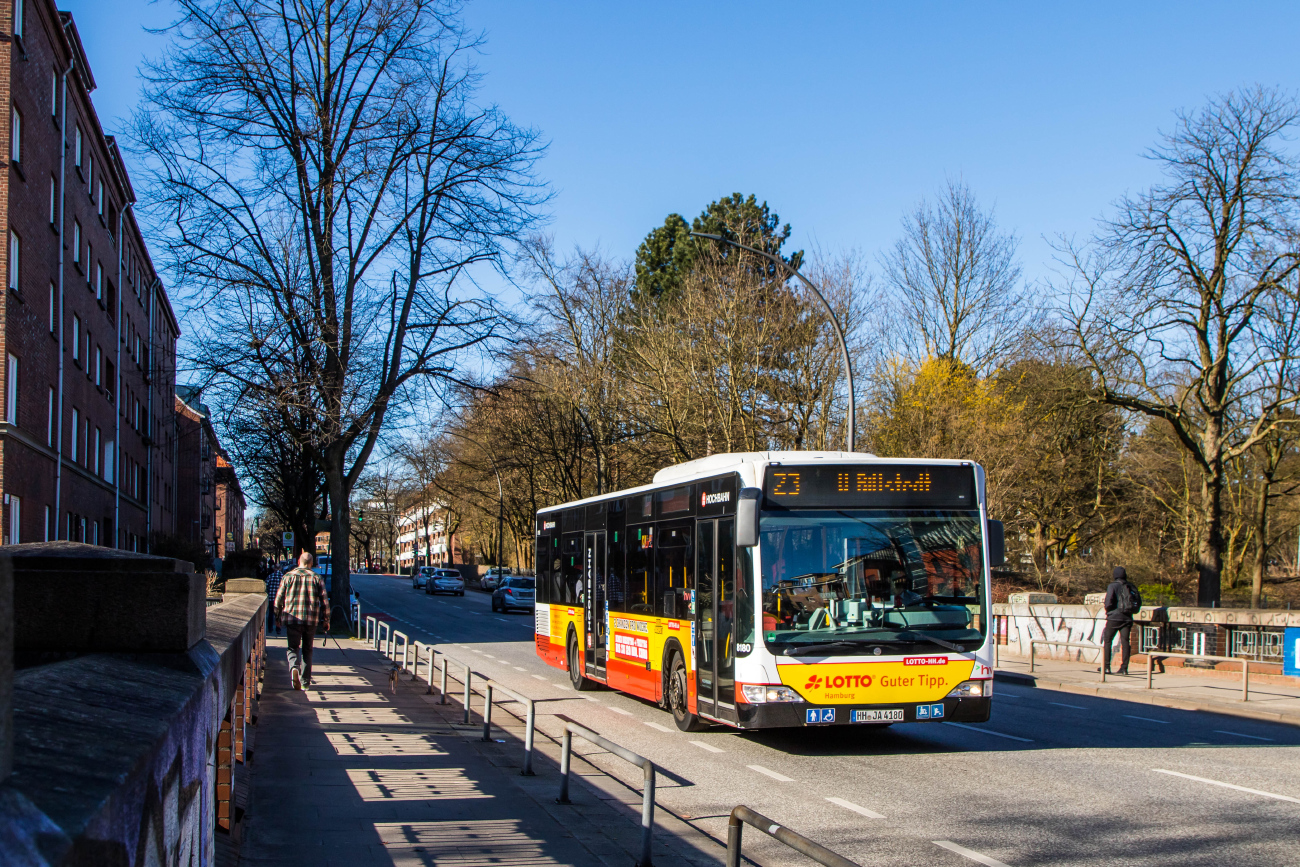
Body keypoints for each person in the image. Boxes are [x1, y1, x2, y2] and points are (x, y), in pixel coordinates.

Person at [274, 551, 330, 689]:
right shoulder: (317, 578)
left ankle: (294, 667)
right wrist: (326, 620)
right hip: (311, 619)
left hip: (292, 618)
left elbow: (278, 600)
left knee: (292, 647)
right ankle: (305, 682)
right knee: (307, 649)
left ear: (299, 562)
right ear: (311, 563)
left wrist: (277, 617)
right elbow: (325, 601)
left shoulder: (288, 577)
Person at [1101, 566, 1136, 675]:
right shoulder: (1131, 586)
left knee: (1108, 640)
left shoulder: (1112, 586)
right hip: (1127, 617)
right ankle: (1124, 668)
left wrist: (1109, 611)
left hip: (1114, 617)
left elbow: (1108, 602)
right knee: (1125, 642)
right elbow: (1138, 601)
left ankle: (1106, 667)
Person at [265, 563, 284, 635]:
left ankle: (270, 628)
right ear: (280, 568)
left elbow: (266, 586)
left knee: (271, 613)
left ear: (274, 568)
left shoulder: (270, 576)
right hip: (280, 599)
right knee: (279, 614)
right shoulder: (283, 577)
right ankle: (278, 629)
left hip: (271, 598)